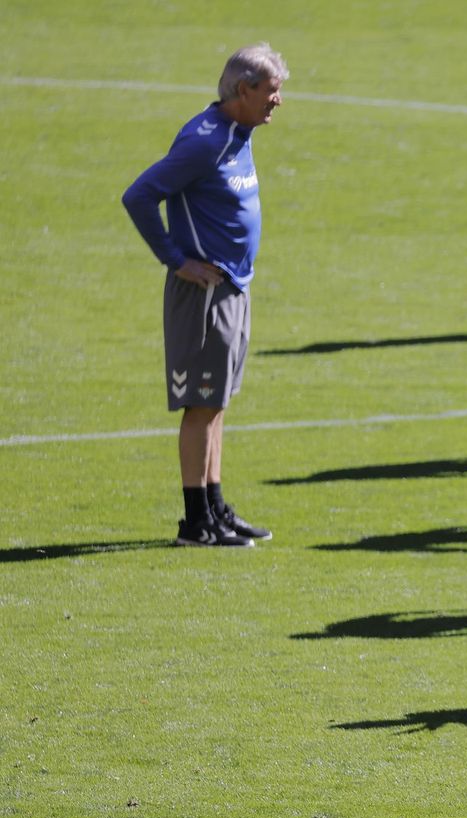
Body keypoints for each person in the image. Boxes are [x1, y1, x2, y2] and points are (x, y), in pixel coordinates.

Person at [121, 44, 288, 549]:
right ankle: (194, 523)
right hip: (204, 294)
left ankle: (215, 507)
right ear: (243, 90)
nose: (278, 101)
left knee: (216, 402)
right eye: (271, 91)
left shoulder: (238, 132)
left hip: (233, 285)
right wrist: (177, 260)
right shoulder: (203, 142)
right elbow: (140, 195)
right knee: (200, 404)